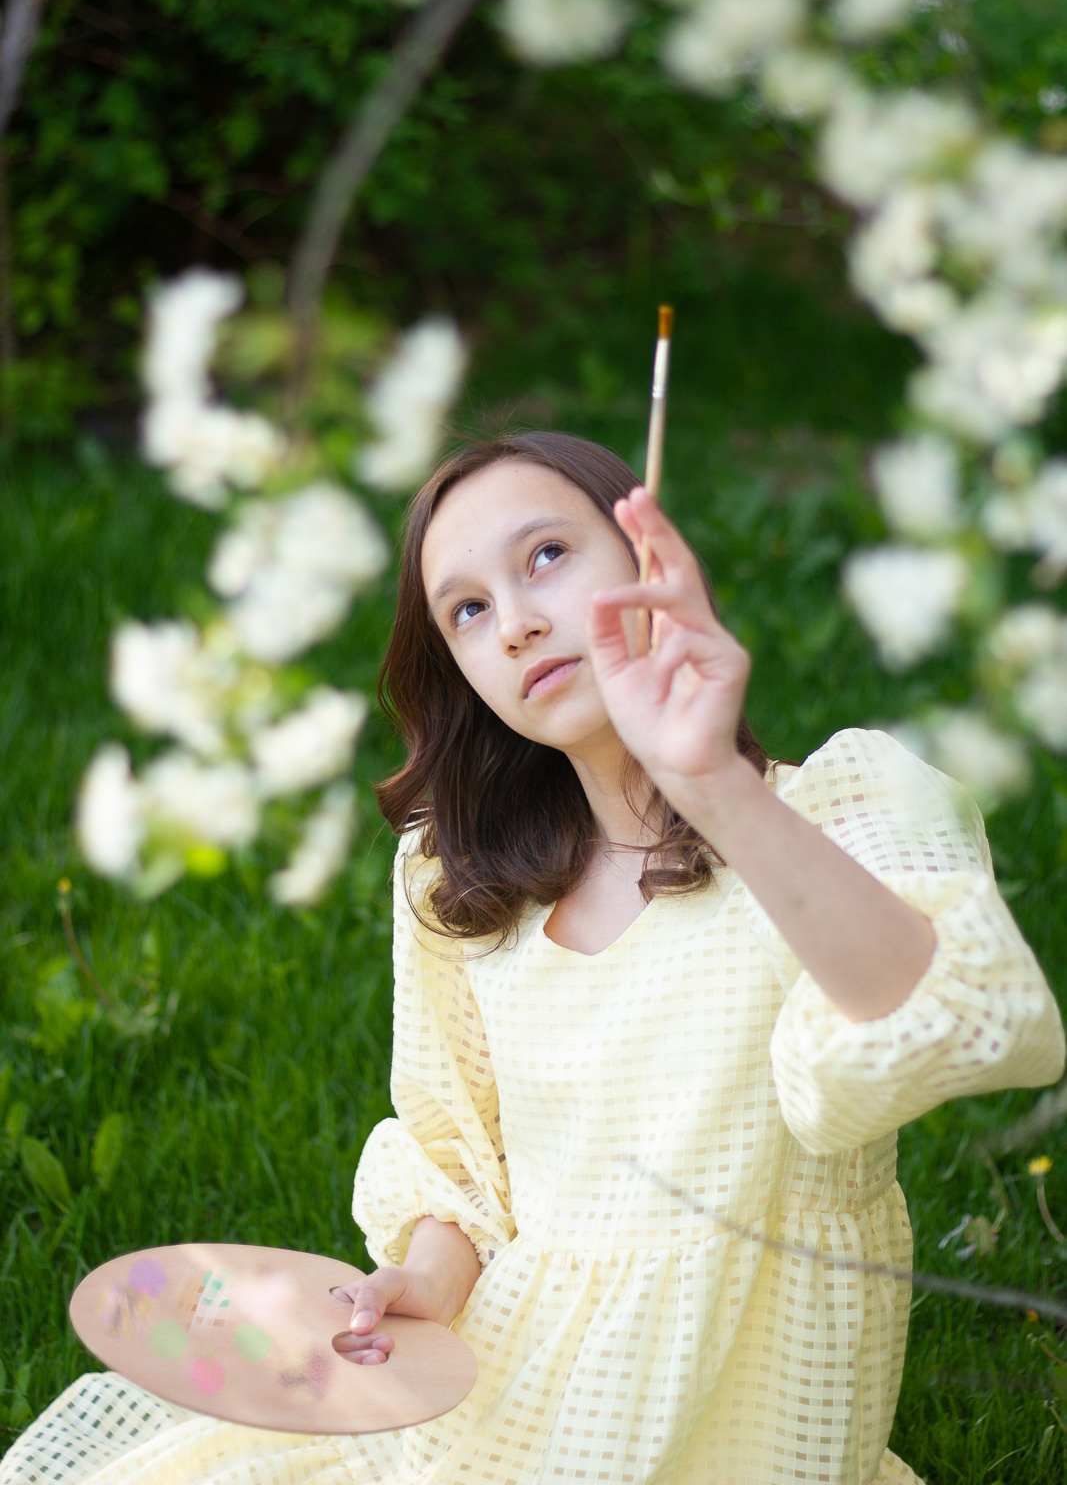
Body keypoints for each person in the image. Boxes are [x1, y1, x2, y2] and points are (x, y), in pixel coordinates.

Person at [5, 430, 1064, 1485]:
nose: (513, 623)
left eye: (545, 556)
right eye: (465, 609)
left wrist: (711, 786)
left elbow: (961, 1023)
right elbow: (460, 1154)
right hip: (515, 1376)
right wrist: (423, 1278)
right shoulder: (460, 881)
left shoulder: (832, 812)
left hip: (754, 1398)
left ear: (648, 562)